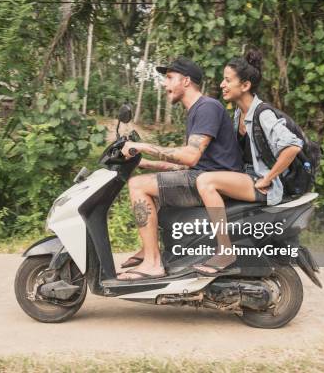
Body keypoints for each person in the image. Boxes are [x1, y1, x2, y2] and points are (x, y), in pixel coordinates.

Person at [117, 57, 242, 281]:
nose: (165, 85)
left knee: (137, 186)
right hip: (202, 175)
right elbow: (184, 163)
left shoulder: (207, 107)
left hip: (214, 182)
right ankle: (150, 250)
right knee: (148, 178)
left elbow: (191, 156)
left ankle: (153, 263)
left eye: (169, 78)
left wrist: (143, 146)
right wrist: (145, 163)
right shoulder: (196, 111)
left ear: (186, 81)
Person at [192, 50, 303, 275]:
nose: (222, 84)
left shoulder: (262, 114)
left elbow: (292, 146)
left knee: (206, 183)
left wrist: (268, 178)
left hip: (262, 183)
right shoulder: (238, 115)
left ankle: (225, 251)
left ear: (245, 85)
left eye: (228, 80)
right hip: (246, 177)